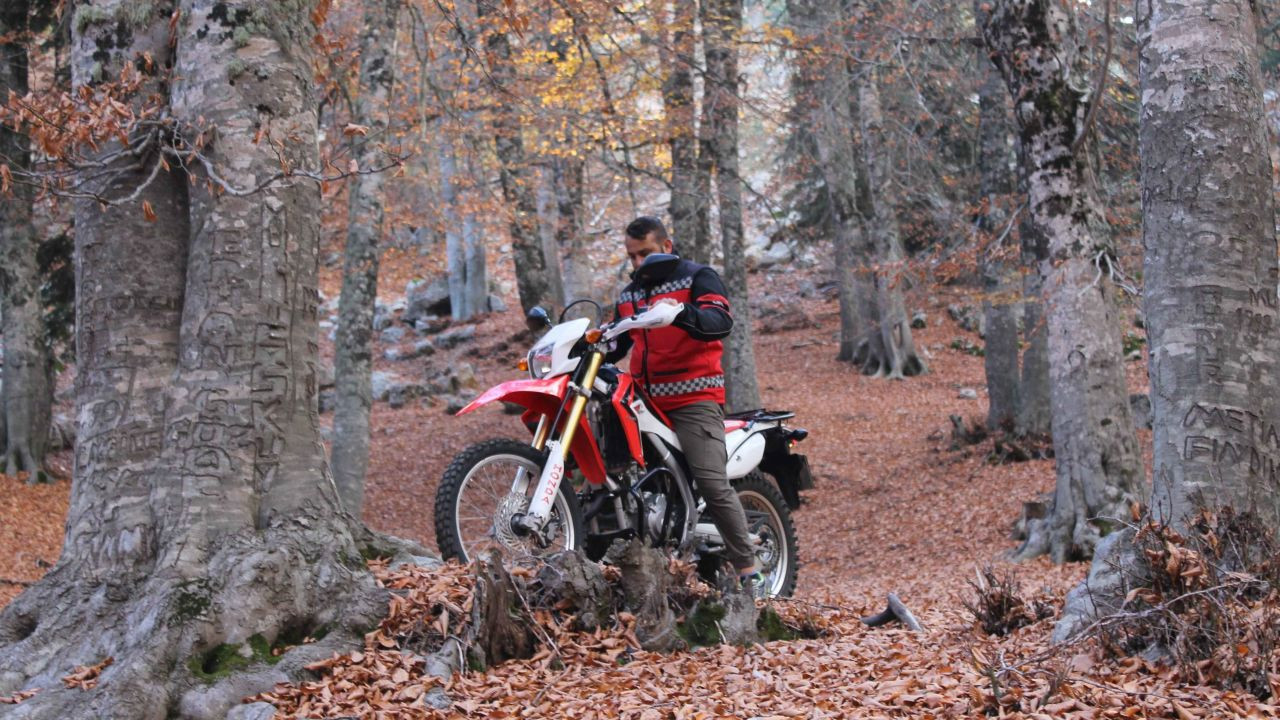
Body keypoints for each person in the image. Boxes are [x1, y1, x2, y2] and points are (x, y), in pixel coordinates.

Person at [606, 216, 759, 585]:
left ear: (666, 247)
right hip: (645, 403)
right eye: (632, 256)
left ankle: (748, 571)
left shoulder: (696, 276)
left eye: (645, 253)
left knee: (710, 481)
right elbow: (617, 344)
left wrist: (681, 314)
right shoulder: (630, 294)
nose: (638, 263)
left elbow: (720, 320)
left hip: (694, 397)